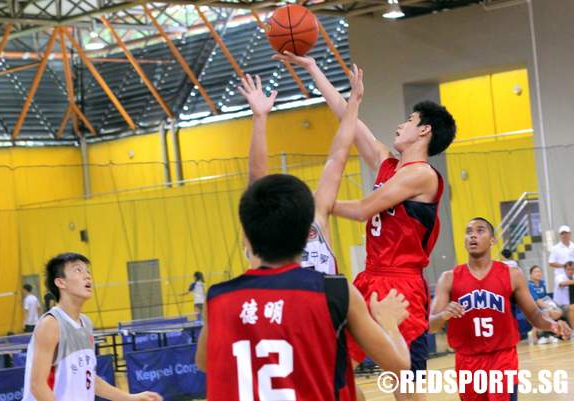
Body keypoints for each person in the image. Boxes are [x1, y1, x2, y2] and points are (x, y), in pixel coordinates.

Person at [274, 52, 456, 394]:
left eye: (409, 119)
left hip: (402, 287)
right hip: (369, 277)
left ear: (424, 130)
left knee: (405, 382)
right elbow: (349, 120)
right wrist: (315, 70)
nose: (399, 124)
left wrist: (314, 207)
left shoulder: (421, 175)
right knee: (338, 366)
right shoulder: (388, 164)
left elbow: (361, 209)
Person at [195, 174, 410, 401]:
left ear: (246, 238)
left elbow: (203, 362)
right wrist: (389, 323)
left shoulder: (219, 299)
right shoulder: (335, 292)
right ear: (306, 233)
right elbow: (398, 365)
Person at [240, 63, 364, 275]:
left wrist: (354, 103)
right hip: (284, 303)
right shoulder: (264, 231)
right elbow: (256, 179)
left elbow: (338, 157)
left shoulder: (315, 216)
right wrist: (259, 118)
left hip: (323, 303)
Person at [429, 217, 571, 401]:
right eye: (469, 231)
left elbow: (534, 315)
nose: (473, 235)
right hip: (467, 361)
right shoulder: (448, 278)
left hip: (502, 358)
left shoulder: (512, 275)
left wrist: (553, 325)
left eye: (480, 231)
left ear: (492, 240)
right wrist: (443, 315)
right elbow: (431, 325)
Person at [22, 253, 163, 401]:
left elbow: (88, 378)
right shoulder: (51, 324)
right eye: (78, 270)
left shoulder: (86, 323)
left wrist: (129, 398)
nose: (87, 276)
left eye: (87, 271)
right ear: (61, 282)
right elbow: (37, 385)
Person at [527, 265, 562, 344]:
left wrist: (553, 306)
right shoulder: (529, 285)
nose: (538, 273)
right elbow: (537, 302)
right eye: (535, 272)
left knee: (558, 312)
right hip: (533, 308)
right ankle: (539, 335)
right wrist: (550, 307)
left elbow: (546, 298)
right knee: (546, 313)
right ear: (531, 274)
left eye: (539, 271)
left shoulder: (543, 283)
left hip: (543, 306)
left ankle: (545, 335)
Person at [553, 260, 574, 328]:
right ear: (564, 269)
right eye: (569, 269)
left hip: (570, 304)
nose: (571, 271)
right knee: (571, 308)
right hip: (560, 305)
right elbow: (563, 283)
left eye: (573, 269)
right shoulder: (559, 277)